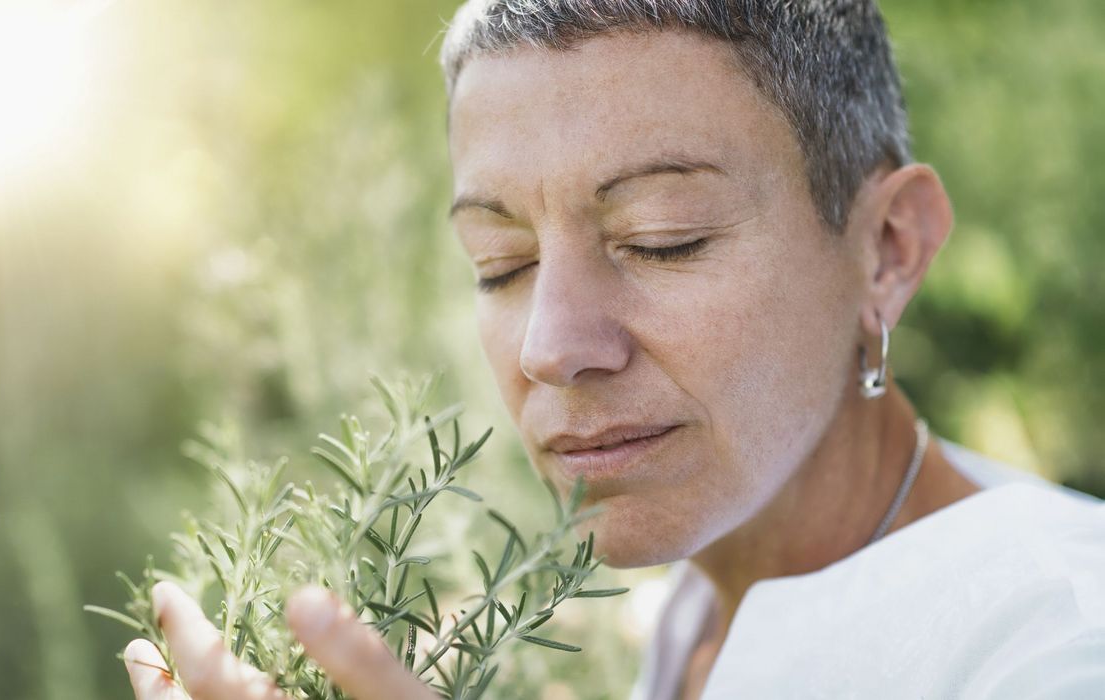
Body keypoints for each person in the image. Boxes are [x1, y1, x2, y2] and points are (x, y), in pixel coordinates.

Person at [123, 1, 1105, 698]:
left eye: (660, 237)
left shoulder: (1056, 642)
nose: (552, 345)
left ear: (887, 247)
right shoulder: (684, 608)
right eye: (499, 262)